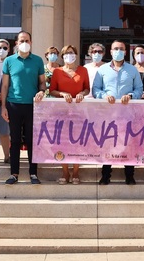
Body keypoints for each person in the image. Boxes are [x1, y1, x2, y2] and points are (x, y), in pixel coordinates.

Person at [92, 40, 144, 185]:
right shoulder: (102, 70)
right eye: (116, 48)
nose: (118, 51)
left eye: (121, 49)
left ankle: (129, 175)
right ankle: (106, 175)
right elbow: (95, 89)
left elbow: (139, 89)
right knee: (108, 144)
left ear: (126, 52)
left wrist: (131, 96)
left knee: (128, 143)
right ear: (110, 51)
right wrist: (104, 96)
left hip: (128, 114)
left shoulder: (133, 70)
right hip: (108, 114)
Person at [1, 31, 46, 185]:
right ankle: (14, 173)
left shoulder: (38, 61)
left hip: (32, 106)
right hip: (13, 105)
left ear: (31, 42)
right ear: (17, 43)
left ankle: (33, 173)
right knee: (15, 140)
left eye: (27, 40)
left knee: (32, 140)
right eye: (22, 40)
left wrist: (41, 91)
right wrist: (3, 106)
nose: (24, 42)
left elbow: (42, 83)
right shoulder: (9, 61)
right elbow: (5, 85)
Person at [49, 44, 90, 185]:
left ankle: (76, 172)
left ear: (76, 55)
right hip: (61, 112)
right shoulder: (57, 72)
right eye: (66, 53)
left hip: (78, 111)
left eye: (72, 53)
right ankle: (65, 172)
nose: (69, 55)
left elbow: (87, 89)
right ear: (62, 56)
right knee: (63, 141)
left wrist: (81, 94)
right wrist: (62, 94)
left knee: (78, 141)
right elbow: (52, 90)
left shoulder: (83, 70)